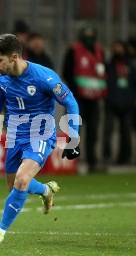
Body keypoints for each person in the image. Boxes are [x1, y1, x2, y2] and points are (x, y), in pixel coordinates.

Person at [0, 34, 81, 243]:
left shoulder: (44, 77)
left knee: (21, 180)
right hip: (15, 136)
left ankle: (0, 231)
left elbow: (71, 103)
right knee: (15, 187)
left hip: (41, 134)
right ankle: (45, 190)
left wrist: (73, 138)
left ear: (14, 57)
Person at [62, 26, 106, 172]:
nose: (89, 38)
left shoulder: (100, 51)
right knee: (75, 131)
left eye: (91, 35)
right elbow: (67, 72)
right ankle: (72, 163)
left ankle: (92, 163)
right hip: (77, 99)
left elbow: (103, 74)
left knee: (93, 132)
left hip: (94, 100)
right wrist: (75, 90)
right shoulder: (73, 50)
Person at [102, 41, 135, 165]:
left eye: (119, 47)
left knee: (126, 131)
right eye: (114, 47)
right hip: (111, 102)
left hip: (127, 103)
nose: (117, 49)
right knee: (108, 130)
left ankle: (125, 157)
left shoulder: (130, 65)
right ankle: (106, 156)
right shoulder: (108, 65)